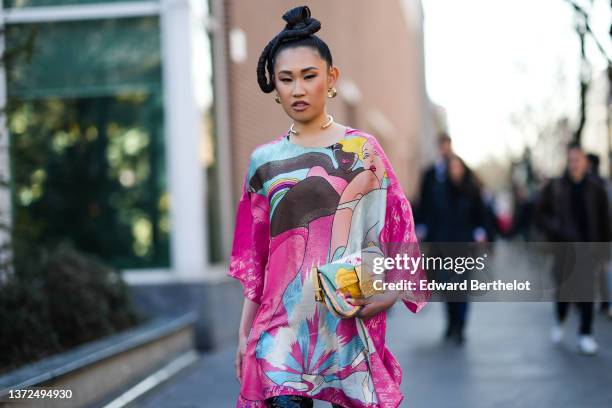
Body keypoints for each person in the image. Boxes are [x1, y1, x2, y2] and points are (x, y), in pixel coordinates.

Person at [228, 6, 429, 408]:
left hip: (347, 328)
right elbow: (258, 260)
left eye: (309, 76)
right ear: (274, 85)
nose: (298, 89)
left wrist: (389, 293)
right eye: (286, 79)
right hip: (280, 336)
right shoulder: (264, 162)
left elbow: (394, 229)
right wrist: (244, 334)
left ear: (331, 79)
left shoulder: (362, 152)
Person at [536, 142, 610, 355]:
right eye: (571, 160)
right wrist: (555, 228)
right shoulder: (556, 187)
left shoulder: (596, 188)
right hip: (564, 249)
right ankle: (560, 320)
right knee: (564, 291)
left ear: (585, 162)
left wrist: (605, 253)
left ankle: (585, 334)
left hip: (589, 248)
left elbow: (605, 221)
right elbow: (541, 215)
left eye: (578, 160)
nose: (575, 164)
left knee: (587, 291)